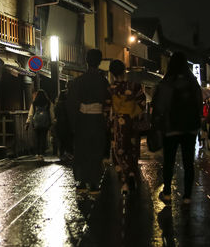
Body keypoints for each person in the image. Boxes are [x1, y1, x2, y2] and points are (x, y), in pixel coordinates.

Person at [152, 52, 202, 205]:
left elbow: (159, 106)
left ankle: (167, 193)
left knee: (169, 161)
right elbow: (199, 105)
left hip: (171, 127)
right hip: (190, 128)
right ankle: (187, 196)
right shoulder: (192, 82)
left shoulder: (167, 82)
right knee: (188, 163)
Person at [67, 49, 110, 194]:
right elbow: (108, 103)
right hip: (97, 119)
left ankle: (81, 182)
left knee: (81, 150)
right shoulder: (104, 82)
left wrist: (74, 123)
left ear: (86, 60)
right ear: (99, 62)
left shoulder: (78, 81)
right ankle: (94, 183)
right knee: (96, 150)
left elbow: (72, 104)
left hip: (82, 119)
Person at [107, 60, 146, 194]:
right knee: (132, 149)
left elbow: (107, 108)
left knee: (118, 149)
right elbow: (142, 103)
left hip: (117, 122)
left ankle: (124, 180)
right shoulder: (134, 86)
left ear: (111, 73)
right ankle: (131, 173)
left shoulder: (111, 89)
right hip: (132, 121)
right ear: (124, 71)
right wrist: (133, 114)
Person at [26, 89, 54, 159]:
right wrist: (53, 121)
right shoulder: (48, 103)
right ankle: (42, 152)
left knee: (37, 137)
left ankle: (37, 153)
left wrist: (28, 122)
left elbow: (31, 114)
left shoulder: (34, 103)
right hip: (45, 123)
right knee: (43, 137)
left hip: (36, 123)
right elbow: (51, 113)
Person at [53, 90, 73, 160]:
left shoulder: (57, 104)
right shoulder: (67, 104)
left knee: (61, 140)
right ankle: (67, 153)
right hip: (66, 124)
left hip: (58, 124)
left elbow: (55, 115)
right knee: (67, 139)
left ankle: (61, 154)